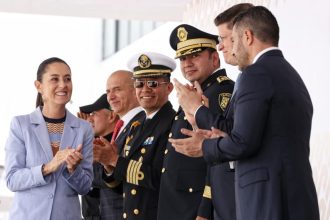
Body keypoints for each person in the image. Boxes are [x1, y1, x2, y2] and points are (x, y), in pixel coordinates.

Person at [172, 6, 320, 220]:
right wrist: (212, 130)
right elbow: (248, 134)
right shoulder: (287, 73)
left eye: (229, 38)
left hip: (268, 201)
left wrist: (202, 139)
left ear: (247, 37)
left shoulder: (255, 74)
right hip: (289, 198)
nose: (224, 46)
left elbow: (242, 142)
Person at [157, 24, 234, 220]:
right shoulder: (195, 92)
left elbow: (218, 153)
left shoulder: (220, 93)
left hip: (195, 206)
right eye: (183, 58)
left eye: (195, 56)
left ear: (214, 58)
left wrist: (205, 209)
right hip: (179, 204)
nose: (187, 63)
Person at [5, 57, 93, 220]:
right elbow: (12, 180)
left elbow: (86, 187)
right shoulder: (21, 125)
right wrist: (47, 168)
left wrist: (73, 170)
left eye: (67, 79)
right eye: (55, 79)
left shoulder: (84, 128)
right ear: (39, 86)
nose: (63, 85)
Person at [96, 52, 176, 219]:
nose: (145, 90)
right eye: (139, 84)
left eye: (153, 83)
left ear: (169, 88)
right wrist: (108, 166)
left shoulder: (174, 123)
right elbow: (123, 185)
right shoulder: (136, 127)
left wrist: (114, 160)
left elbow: (165, 180)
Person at [93, 70, 145, 218]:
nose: (110, 96)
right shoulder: (123, 126)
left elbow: (138, 174)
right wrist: (107, 165)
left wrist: (108, 160)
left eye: (117, 89)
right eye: (108, 91)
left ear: (135, 91)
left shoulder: (143, 123)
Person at [79, 94, 122, 220]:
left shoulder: (119, 143)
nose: (89, 118)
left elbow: (100, 178)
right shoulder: (95, 143)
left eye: (93, 113)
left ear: (111, 116)